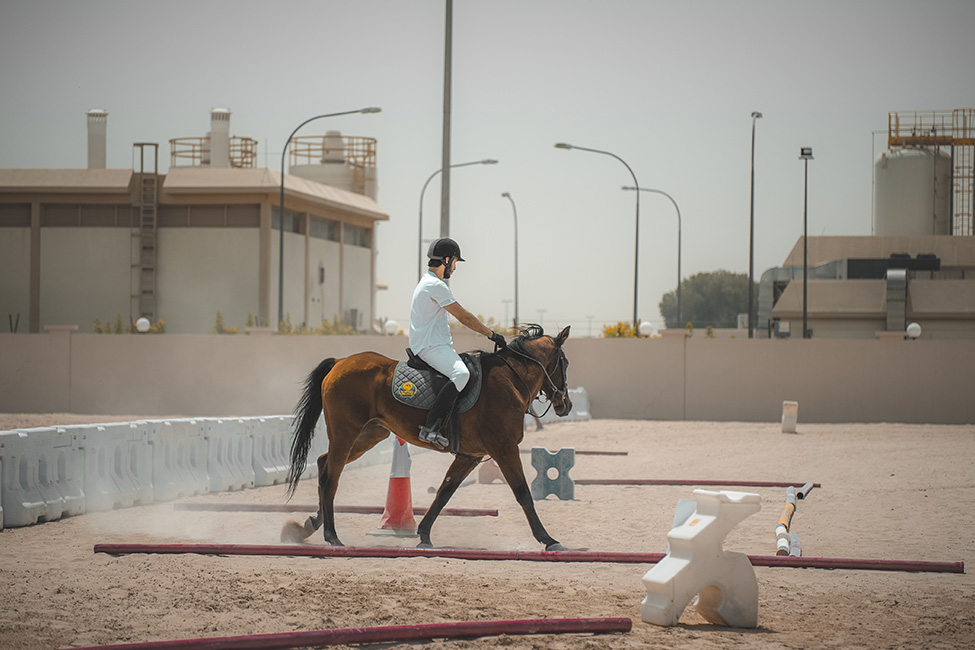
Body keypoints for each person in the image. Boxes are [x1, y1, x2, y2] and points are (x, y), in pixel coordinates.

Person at [409, 237, 506, 449]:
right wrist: (491, 335)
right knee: (461, 374)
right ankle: (430, 427)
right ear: (446, 260)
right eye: (454, 262)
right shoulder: (436, 286)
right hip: (430, 347)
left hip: (432, 345)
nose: (454, 267)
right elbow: (464, 316)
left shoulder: (427, 282)